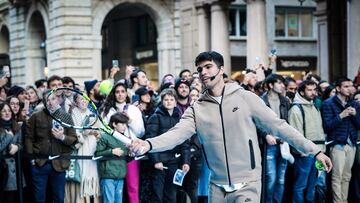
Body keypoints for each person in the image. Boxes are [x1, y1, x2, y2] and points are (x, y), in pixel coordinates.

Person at [129, 51, 332, 203]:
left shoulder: (245, 98)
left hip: (248, 184)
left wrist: (314, 152)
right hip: (216, 188)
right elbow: (176, 134)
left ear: (221, 69)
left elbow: (280, 126)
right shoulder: (197, 108)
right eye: (200, 69)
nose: (203, 72)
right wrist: (148, 144)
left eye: (208, 66)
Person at [25, 91, 77, 203]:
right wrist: (32, 159)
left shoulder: (66, 117)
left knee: (59, 198)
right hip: (39, 163)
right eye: (46, 100)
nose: (50, 102)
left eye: (52, 99)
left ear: (57, 100)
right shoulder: (35, 116)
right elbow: (28, 137)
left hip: (59, 164)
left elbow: (73, 139)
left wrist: (62, 137)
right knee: (39, 198)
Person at [101, 82, 145, 203]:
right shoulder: (107, 111)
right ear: (113, 94)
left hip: (131, 153)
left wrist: (129, 121)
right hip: (115, 154)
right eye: (117, 92)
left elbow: (141, 132)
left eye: (122, 91)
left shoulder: (134, 110)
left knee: (132, 187)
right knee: (114, 189)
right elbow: (104, 132)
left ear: (126, 93)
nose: (120, 94)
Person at [145, 88, 190, 203]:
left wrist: (186, 161)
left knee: (171, 195)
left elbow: (184, 142)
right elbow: (150, 140)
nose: (169, 102)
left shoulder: (180, 119)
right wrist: (156, 161)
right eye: (166, 99)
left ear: (175, 102)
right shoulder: (155, 117)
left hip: (174, 162)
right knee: (157, 195)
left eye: (171, 99)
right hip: (160, 164)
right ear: (162, 101)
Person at [321, 77, 360, 203]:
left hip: (351, 143)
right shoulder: (328, 104)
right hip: (337, 143)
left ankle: (345, 200)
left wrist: (355, 116)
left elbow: (359, 125)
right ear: (338, 88)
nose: (350, 89)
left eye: (351, 86)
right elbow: (327, 127)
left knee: (347, 176)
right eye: (346, 86)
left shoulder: (354, 103)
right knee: (337, 176)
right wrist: (341, 116)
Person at [288, 80, 326, 203]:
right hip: (304, 155)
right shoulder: (296, 109)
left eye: (314, 89)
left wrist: (322, 150)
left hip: (318, 153)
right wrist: (301, 152)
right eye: (309, 90)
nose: (313, 92)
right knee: (300, 186)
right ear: (302, 91)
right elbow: (295, 133)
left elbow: (319, 130)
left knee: (312, 185)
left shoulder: (315, 106)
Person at [260, 74, 291, 203]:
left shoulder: (285, 101)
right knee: (270, 178)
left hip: (283, 143)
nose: (282, 85)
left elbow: (287, 122)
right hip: (269, 144)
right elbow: (256, 121)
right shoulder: (261, 101)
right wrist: (265, 134)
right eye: (279, 83)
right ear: (270, 85)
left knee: (281, 179)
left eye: (283, 83)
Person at [96, 112, 129, 203]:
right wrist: (111, 152)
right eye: (122, 124)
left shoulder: (125, 139)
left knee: (118, 201)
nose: (124, 127)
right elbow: (97, 154)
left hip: (120, 176)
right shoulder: (105, 136)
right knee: (108, 201)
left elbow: (128, 156)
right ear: (114, 124)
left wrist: (131, 152)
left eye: (125, 124)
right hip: (108, 177)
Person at [0, 102, 24, 202]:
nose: (7, 113)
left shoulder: (16, 127)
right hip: (2, 168)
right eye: (4, 111)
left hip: (14, 169)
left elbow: (21, 143)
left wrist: (17, 147)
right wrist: (9, 137)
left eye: (9, 111)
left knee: (13, 198)